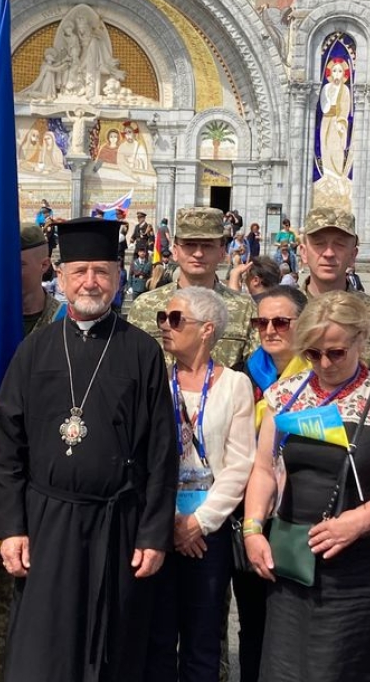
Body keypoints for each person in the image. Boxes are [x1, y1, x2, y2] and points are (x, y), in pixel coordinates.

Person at [0, 217, 177, 682]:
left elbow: (161, 451)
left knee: (116, 647)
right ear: (61, 274)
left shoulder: (142, 352)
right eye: (80, 271)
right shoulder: (34, 351)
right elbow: (7, 448)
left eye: (101, 271)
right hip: (47, 522)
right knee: (44, 650)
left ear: (118, 276)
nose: (90, 281)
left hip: (119, 523)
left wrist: (153, 535)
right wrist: (11, 527)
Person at [242, 292, 370, 680]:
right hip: (293, 559)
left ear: (362, 340)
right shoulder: (285, 395)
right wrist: (253, 528)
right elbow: (262, 468)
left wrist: (358, 521)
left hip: (363, 565)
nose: (324, 364)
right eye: (312, 354)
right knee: (286, 668)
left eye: (336, 353)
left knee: (349, 667)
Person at [145, 287, 256, 682]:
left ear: (207, 330)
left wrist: (199, 521)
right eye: (163, 317)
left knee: (203, 639)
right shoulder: (155, 379)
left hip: (209, 531)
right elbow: (145, 457)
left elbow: (241, 463)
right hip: (160, 524)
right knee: (156, 639)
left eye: (175, 319)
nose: (164, 326)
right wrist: (174, 519)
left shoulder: (235, 386)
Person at [0, 225, 65, 682]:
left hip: (53, 487)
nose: (8, 270)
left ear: (44, 265)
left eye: (20, 262)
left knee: (51, 604)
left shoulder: (68, 325)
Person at [232, 286, 309, 682]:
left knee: (300, 622)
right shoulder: (244, 374)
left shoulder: (321, 373)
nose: (269, 330)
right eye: (261, 322)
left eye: (281, 321)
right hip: (253, 516)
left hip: (303, 515)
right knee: (254, 621)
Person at [127, 207, 257, 370]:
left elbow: (256, 374)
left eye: (208, 246)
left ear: (222, 252)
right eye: (189, 245)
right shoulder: (144, 306)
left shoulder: (244, 309)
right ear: (175, 251)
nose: (198, 253)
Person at [297, 207, 370, 370]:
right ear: (303, 252)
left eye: (339, 244)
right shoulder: (284, 312)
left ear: (353, 255)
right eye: (319, 244)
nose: (329, 253)